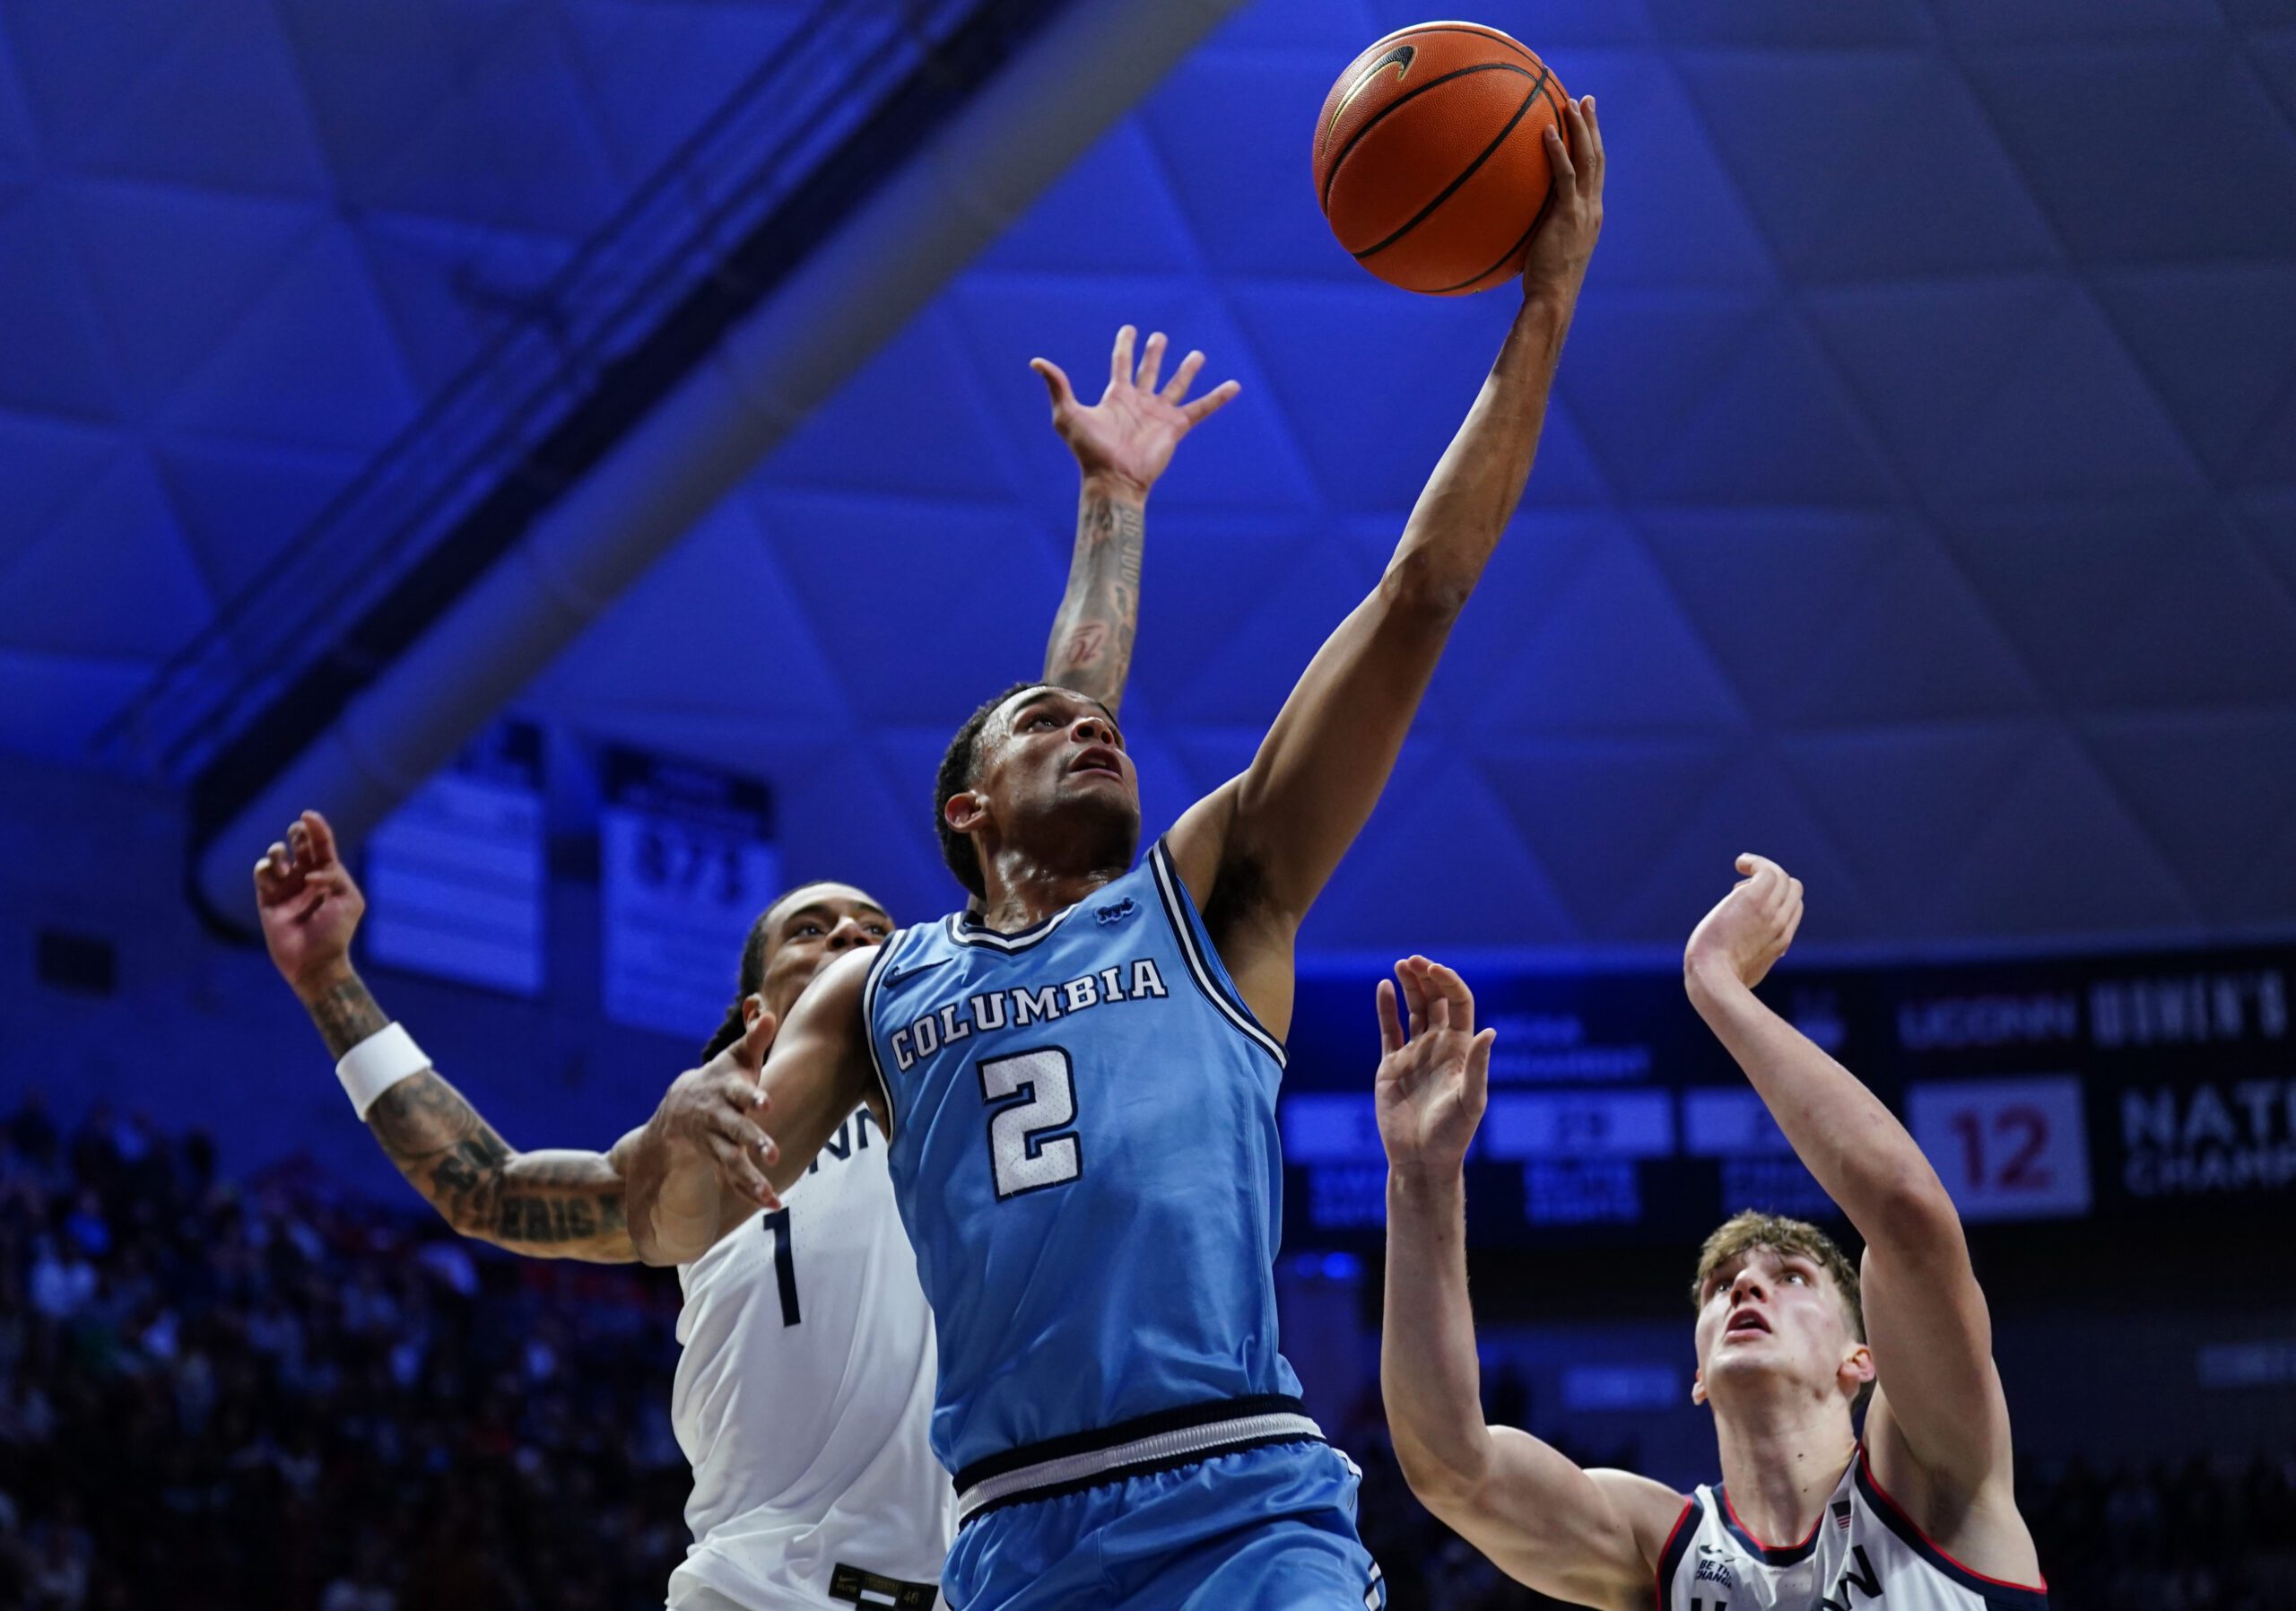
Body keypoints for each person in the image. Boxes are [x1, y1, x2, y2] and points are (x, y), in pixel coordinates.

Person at [637, 93, 1605, 1611]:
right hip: (1014, 1534)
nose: (1099, 732)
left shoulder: (1213, 893)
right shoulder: (885, 985)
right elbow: (683, 1221)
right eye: (1044, 732)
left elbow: (1420, 592)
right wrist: (674, 1152)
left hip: (1240, 1497)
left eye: (1096, 727)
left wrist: (1544, 300)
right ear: (964, 811)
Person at [252, 324, 1238, 1611]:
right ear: (751, 1010)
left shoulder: (956, 1056)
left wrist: (1113, 500)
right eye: (813, 932)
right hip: (760, 1592)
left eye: (873, 928)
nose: (853, 944)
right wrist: (334, 986)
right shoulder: (716, 1146)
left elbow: (1054, 744)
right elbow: (486, 1189)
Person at [1373, 858, 2049, 1611]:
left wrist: (1716, 984)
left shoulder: (1931, 1471)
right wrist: (1424, 1181)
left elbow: (1908, 1217)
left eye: (1791, 1276)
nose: (1747, 1288)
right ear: (1697, 1372)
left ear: (1863, 1359)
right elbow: (1450, 1467)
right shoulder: (1661, 1545)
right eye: (1721, 1287)